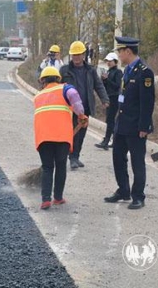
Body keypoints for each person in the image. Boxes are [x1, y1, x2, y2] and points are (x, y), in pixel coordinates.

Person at [103, 36, 155, 210]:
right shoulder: (127, 70)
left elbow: (147, 102)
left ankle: (138, 196)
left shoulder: (144, 72)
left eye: (120, 51)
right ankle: (123, 191)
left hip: (136, 126)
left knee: (137, 162)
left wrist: (144, 127)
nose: (118, 55)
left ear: (127, 51)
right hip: (122, 124)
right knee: (118, 158)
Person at [34, 67, 88, 210]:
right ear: (58, 78)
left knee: (47, 167)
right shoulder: (65, 89)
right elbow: (76, 101)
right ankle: (58, 198)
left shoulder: (38, 96)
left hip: (43, 137)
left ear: (43, 81)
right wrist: (81, 115)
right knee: (60, 166)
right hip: (62, 137)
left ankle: (45, 200)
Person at [60, 40, 110, 169]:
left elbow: (98, 85)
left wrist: (104, 99)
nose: (76, 58)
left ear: (83, 55)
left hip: (85, 108)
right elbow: (56, 87)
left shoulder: (90, 70)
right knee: (71, 133)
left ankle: (76, 156)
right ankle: (72, 157)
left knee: (81, 134)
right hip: (69, 109)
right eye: (74, 55)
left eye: (78, 55)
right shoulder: (64, 70)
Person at [95, 52, 123, 150]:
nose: (108, 63)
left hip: (115, 98)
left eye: (110, 61)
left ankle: (106, 140)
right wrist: (104, 80)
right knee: (109, 120)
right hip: (109, 97)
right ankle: (116, 139)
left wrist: (108, 80)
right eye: (107, 61)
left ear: (115, 62)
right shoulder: (109, 71)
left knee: (110, 119)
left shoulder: (118, 72)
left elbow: (117, 85)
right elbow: (105, 86)